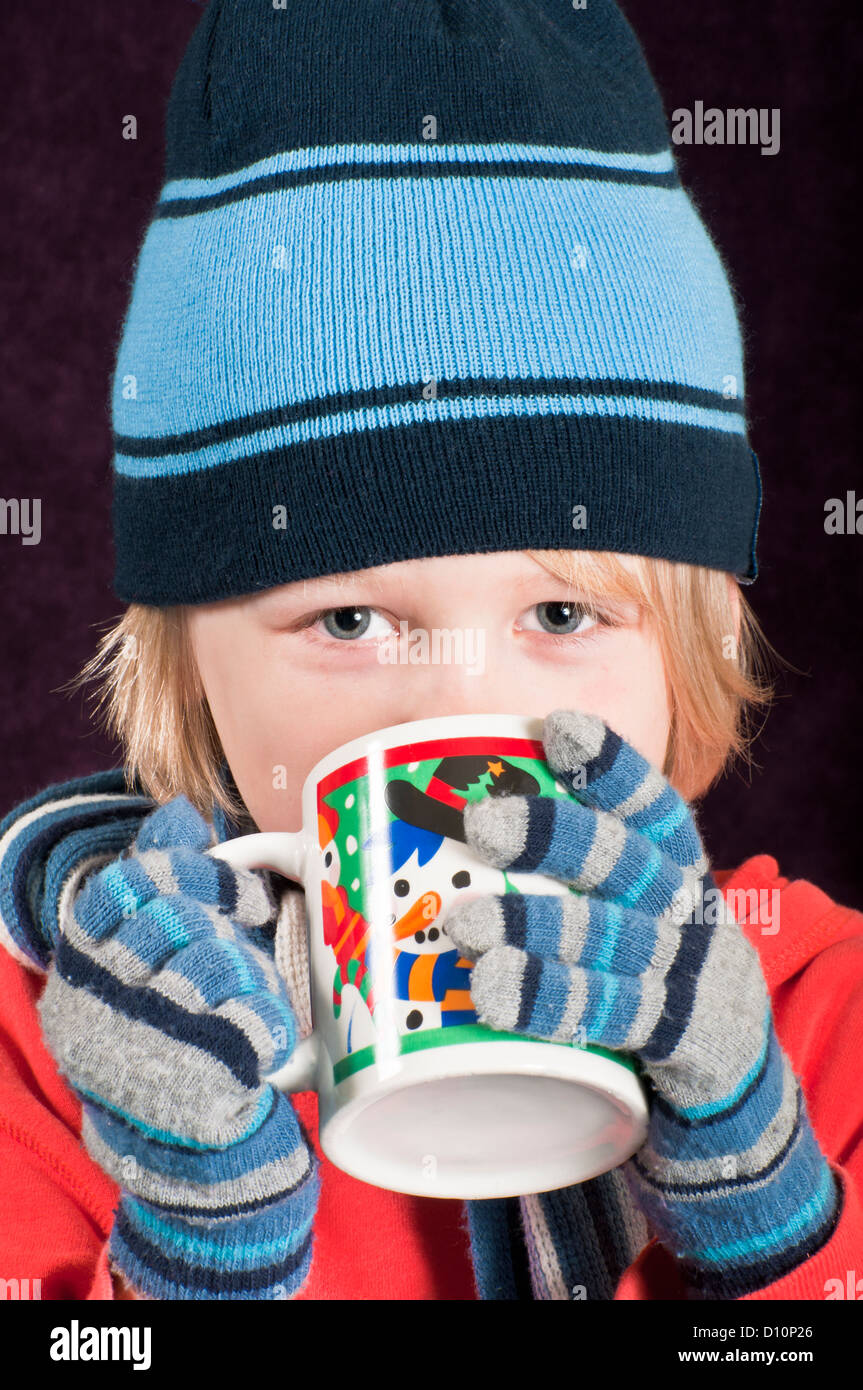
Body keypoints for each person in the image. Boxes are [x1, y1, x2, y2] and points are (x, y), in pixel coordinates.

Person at [1, 0, 860, 1301]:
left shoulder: (818, 1010)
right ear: (189, 665)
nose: (473, 714)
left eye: (564, 615)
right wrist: (191, 1263)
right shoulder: (50, 1048)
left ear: (691, 648)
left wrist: (770, 1219)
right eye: (348, 618)